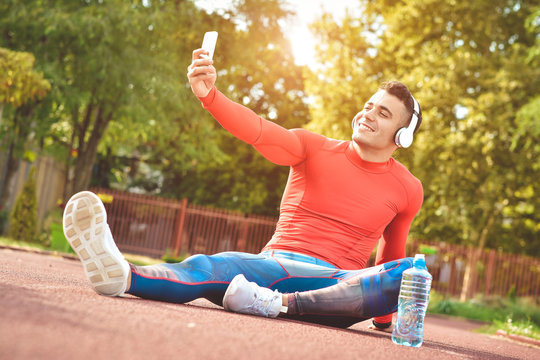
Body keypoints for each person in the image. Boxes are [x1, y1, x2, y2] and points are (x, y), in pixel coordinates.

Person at [62, 46, 423, 330]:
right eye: (368, 106)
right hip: (270, 271)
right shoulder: (313, 147)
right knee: (213, 265)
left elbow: (390, 253)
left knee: (411, 274)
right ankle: (123, 274)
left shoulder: (408, 188)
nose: (367, 115)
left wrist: (384, 318)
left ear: (402, 136)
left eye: (383, 113)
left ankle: (273, 305)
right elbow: (258, 130)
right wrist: (210, 96)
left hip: (337, 288)